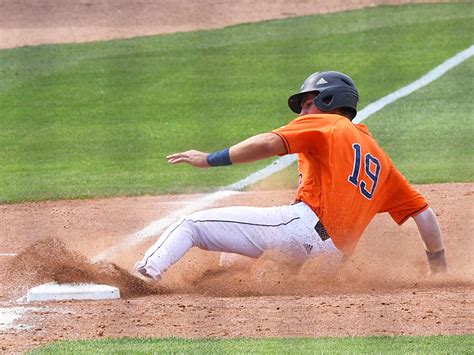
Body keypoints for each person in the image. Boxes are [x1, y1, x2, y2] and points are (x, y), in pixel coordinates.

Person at [135, 70, 447, 280]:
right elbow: (425, 215)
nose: (301, 114)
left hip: (301, 230)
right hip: (332, 258)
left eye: (307, 103)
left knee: (192, 225)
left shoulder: (326, 123)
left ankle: (143, 275)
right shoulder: (380, 160)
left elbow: (268, 143)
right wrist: (438, 267)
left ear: (328, 102)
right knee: (232, 262)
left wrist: (209, 159)